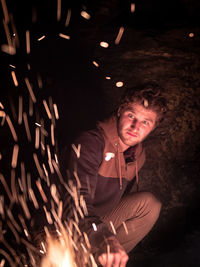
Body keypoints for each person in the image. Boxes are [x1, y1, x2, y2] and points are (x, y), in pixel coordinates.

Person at [65, 83, 168, 267]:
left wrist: (107, 238)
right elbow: (75, 205)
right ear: (120, 111)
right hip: (64, 225)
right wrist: (105, 238)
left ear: (153, 127)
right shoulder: (91, 142)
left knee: (149, 204)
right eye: (131, 116)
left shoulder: (138, 154)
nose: (135, 127)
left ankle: (97, 263)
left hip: (97, 225)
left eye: (146, 122)